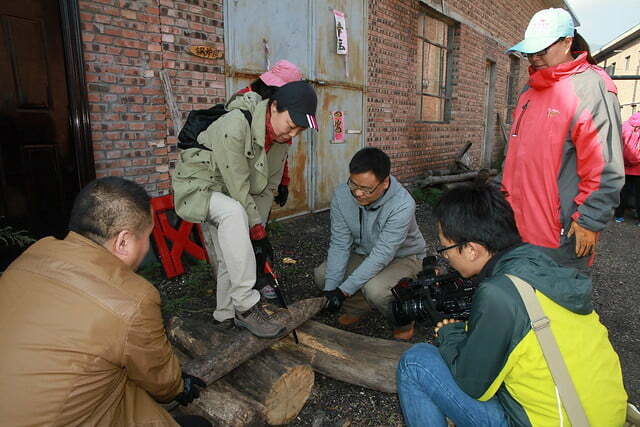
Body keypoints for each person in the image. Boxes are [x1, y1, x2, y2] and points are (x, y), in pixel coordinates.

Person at [396, 183, 627, 426]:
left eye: (445, 248)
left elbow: (473, 385)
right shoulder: (539, 263)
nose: (445, 256)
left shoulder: (499, 294)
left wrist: (449, 333)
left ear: (472, 250)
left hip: (556, 421)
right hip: (602, 415)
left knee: (415, 362)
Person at [0, 177, 209, 427]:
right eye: (147, 236)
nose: (147, 245)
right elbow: (162, 383)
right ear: (123, 241)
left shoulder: (34, 254)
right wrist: (180, 386)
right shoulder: (134, 299)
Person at [172, 80, 318, 338]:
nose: (294, 134)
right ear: (273, 107)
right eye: (292, 125)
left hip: (235, 194)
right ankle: (246, 307)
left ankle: (224, 316)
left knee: (237, 248)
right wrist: (253, 226)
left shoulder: (282, 142)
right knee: (234, 215)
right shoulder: (236, 123)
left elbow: (268, 187)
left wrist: (258, 231)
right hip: (201, 186)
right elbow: (237, 186)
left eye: (300, 130)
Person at [501, 8, 624, 272]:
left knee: (559, 301)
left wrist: (590, 220)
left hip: (558, 230)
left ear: (567, 42)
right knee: (522, 299)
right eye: (529, 53)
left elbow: (606, 166)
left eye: (542, 51)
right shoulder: (530, 89)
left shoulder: (590, 88)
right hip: (517, 223)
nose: (535, 58)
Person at [315, 147, 427, 340]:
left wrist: (342, 292)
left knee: (377, 289)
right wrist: (331, 290)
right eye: (353, 184)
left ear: (384, 183)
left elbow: (383, 253)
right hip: (365, 252)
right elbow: (340, 243)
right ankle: (360, 307)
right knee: (323, 276)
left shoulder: (402, 204)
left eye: (366, 189)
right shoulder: (342, 195)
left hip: (404, 256)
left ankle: (403, 322)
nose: (358, 193)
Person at [233, 60, 303, 299]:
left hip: (263, 183)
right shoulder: (241, 105)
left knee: (259, 234)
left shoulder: (284, 113)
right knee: (243, 235)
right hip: (239, 180)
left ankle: (261, 277)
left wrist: (284, 181)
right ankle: (242, 290)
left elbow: (282, 150)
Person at [614, 112, 640, 223]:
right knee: (639, 194)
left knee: (623, 191)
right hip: (638, 169)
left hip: (624, 166)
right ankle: (639, 219)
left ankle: (619, 215)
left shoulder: (624, 125)